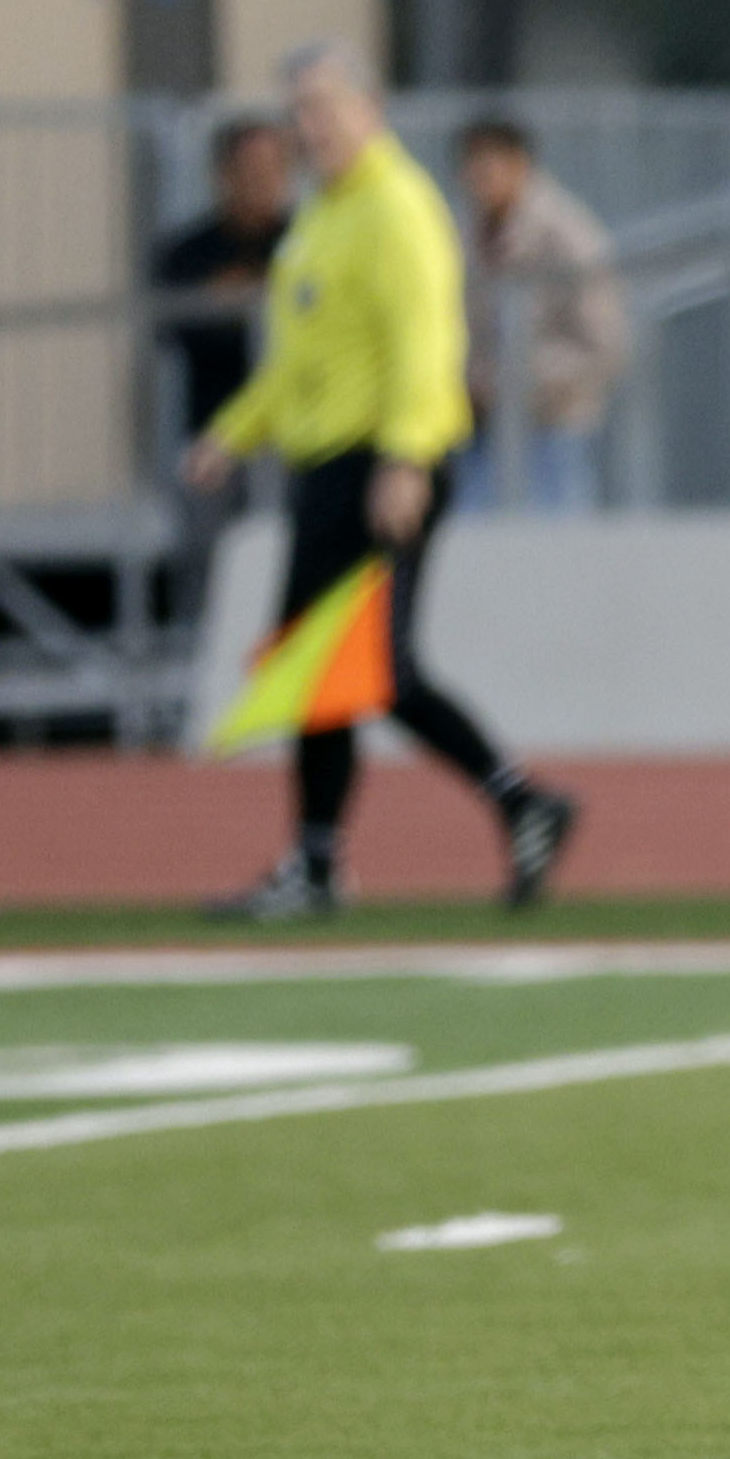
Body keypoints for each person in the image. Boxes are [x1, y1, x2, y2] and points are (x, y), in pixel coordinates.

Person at [182, 47, 581, 921]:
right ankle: (347, 852)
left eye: (325, 106)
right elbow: (301, 358)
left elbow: (420, 343)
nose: (310, 125)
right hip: (330, 468)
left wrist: (404, 459)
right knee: (322, 668)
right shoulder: (324, 215)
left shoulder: (395, 208)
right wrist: (234, 433)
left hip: (380, 464)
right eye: (301, 110)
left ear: (371, 107)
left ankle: (507, 805)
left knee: (367, 668)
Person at [453, 118, 629, 514]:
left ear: (519, 165)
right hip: (482, 430)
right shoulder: (464, 231)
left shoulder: (568, 235)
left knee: (558, 552)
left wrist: (514, 382)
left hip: (553, 429)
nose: (477, 179)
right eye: (471, 166)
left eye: (488, 166)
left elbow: (605, 346)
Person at [151, 116, 295, 448]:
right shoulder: (188, 252)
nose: (264, 179)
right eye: (252, 168)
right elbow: (171, 331)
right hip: (214, 433)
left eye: (275, 167)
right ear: (225, 173)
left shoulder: (308, 240)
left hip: (294, 433)